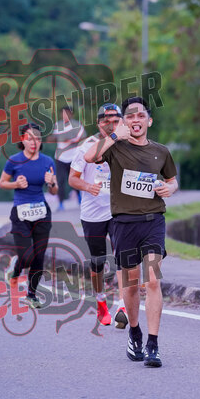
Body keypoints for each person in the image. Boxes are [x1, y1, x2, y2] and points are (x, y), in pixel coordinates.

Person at [84, 97, 178, 367]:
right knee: (131, 283)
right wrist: (115, 134)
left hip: (153, 221)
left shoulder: (161, 151)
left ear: (149, 121)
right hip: (124, 224)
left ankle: (153, 344)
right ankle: (135, 333)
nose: (136, 120)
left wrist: (169, 189)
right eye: (130, 116)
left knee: (153, 280)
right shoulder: (115, 147)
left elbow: (172, 181)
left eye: (140, 116)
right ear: (125, 121)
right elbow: (90, 157)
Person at [69, 103, 128, 328]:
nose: (111, 125)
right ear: (98, 123)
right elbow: (72, 179)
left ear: (121, 121)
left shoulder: (127, 144)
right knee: (98, 262)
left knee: (123, 256)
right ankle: (101, 300)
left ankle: (122, 305)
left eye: (115, 120)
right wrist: (87, 186)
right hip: (93, 213)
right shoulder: (86, 147)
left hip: (118, 210)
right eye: (106, 121)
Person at [0, 122, 58, 309]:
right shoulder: (14, 160)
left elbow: (55, 190)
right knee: (26, 256)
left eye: (38, 139)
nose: (34, 142)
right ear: (22, 140)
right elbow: (2, 183)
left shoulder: (48, 161)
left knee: (39, 256)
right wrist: (16, 184)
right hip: (20, 212)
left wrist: (51, 183)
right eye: (29, 138)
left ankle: (31, 295)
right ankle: (15, 269)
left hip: (41, 211)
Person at [51, 105, 85, 210]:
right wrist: (52, 138)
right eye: (63, 113)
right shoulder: (58, 125)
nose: (64, 115)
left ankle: (79, 199)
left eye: (67, 113)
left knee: (74, 179)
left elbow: (83, 138)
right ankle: (61, 203)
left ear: (71, 114)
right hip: (60, 158)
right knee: (60, 180)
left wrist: (71, 140)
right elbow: (54, 137)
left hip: (73, 157)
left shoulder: (77, 125)